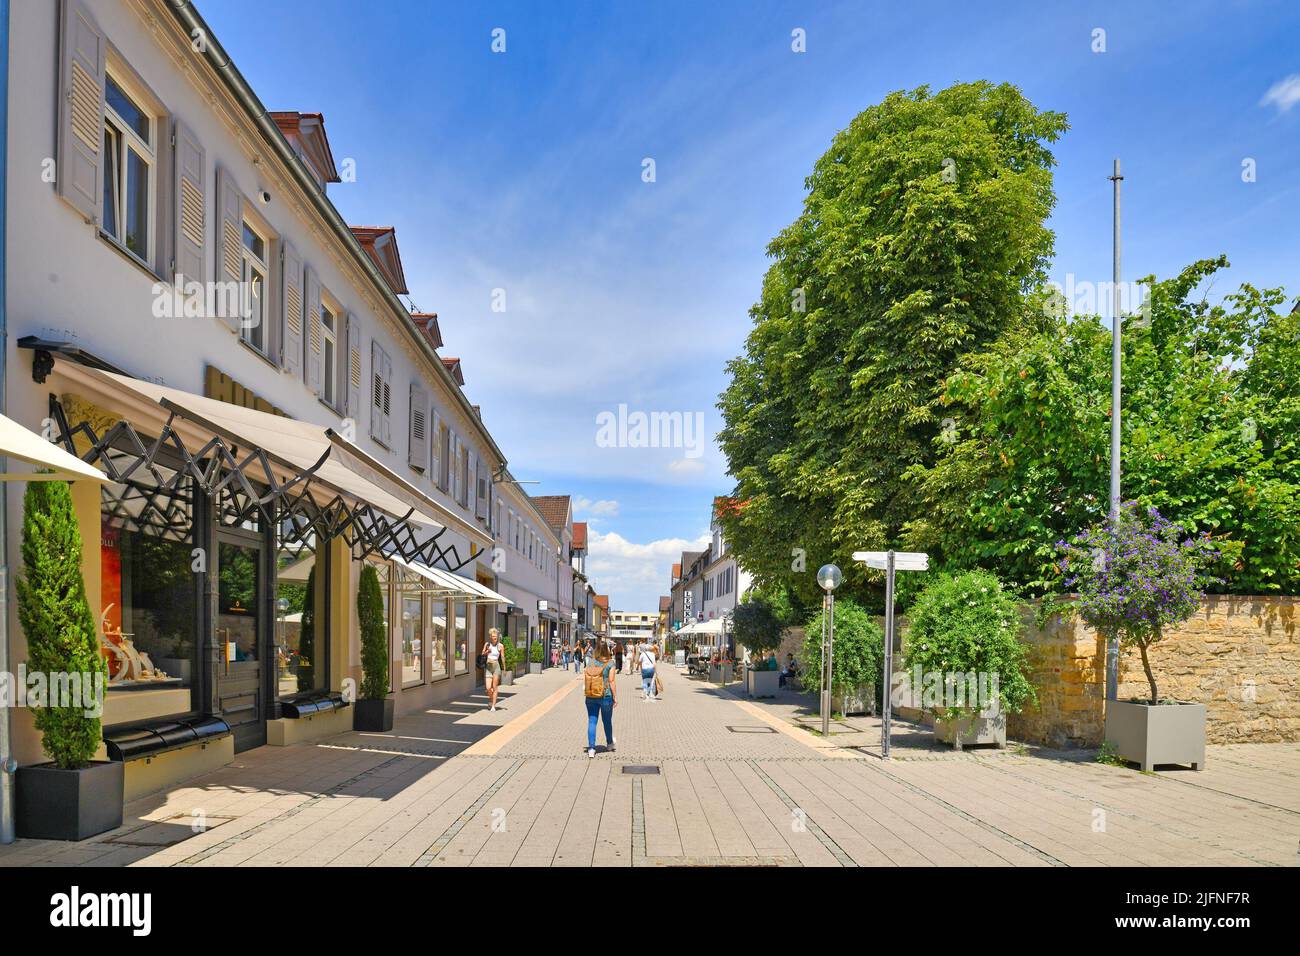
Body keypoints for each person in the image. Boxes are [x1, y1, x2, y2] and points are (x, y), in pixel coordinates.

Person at [582, 641, 617, 757]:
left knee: (592, 721)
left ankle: (591, 748)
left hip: (591, 695)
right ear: (607, 650)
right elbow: (611, 681)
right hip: (605, 696)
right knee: (607, 721)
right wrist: (615, 697)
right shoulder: (610, 663)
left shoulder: (590, 662)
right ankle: (609, 744)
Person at [484, 627, 506, 712]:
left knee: (494, 687)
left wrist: (504, 668)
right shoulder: (487, 644)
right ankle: (491, 699)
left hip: (496, 667)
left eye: (496, 636)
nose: (494, 637)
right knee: (488, 688)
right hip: (488, 667)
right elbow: (482, 654)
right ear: (490, 636)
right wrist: (487, 652)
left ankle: (493, 705)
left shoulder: (500, 646)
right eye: (493, 636)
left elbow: (503, 657)